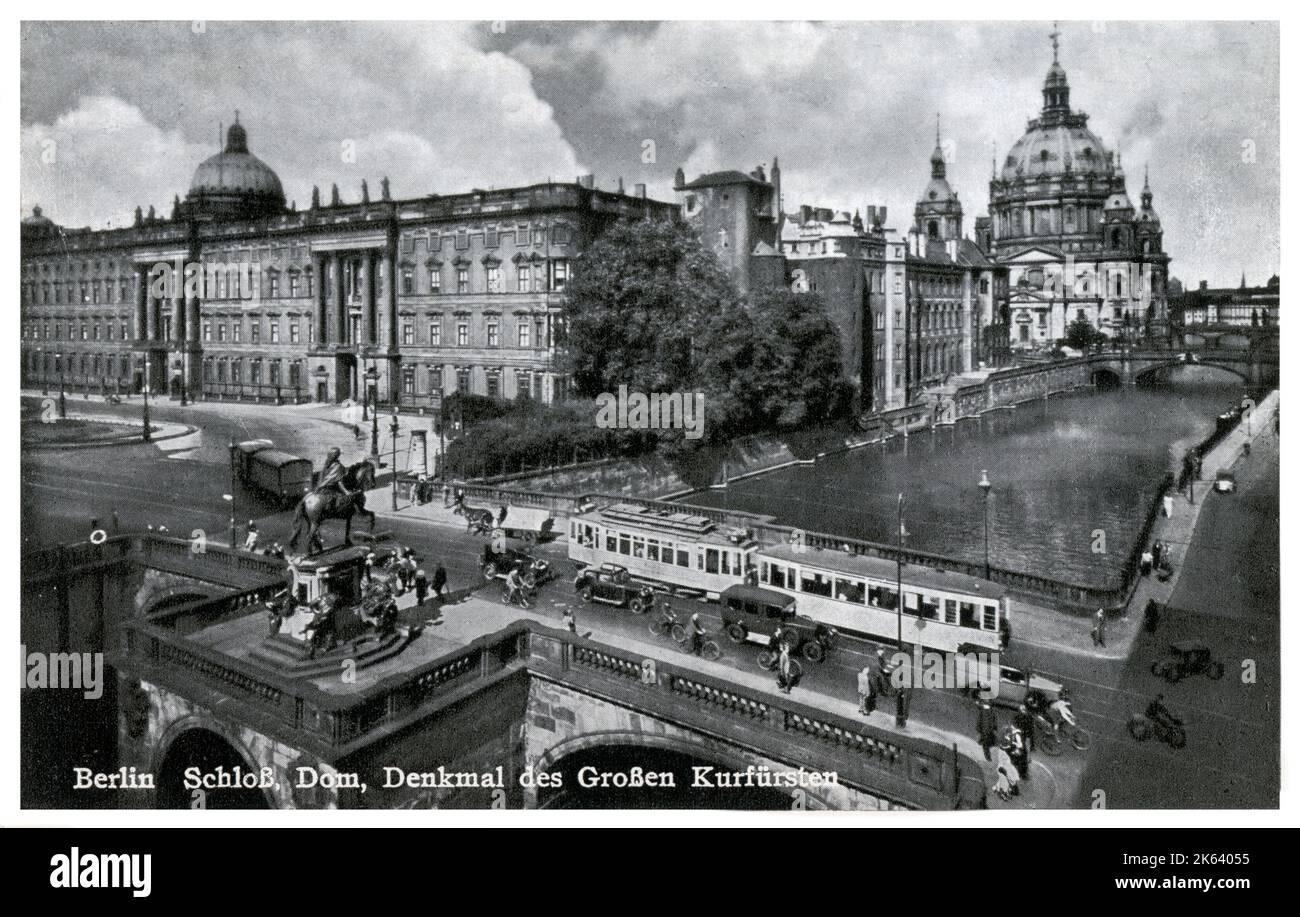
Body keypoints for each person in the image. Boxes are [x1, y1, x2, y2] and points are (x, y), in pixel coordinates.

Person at [977, 697, 998, 761]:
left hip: (984, 730)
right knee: (989, 742)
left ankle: (988, 757)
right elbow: (995, 721)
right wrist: (995, 728)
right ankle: (988, 756)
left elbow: (979, 721)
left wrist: (978, 730)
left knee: (985, 744)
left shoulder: (982, 711)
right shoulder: (992, 711)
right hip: (990, 730)